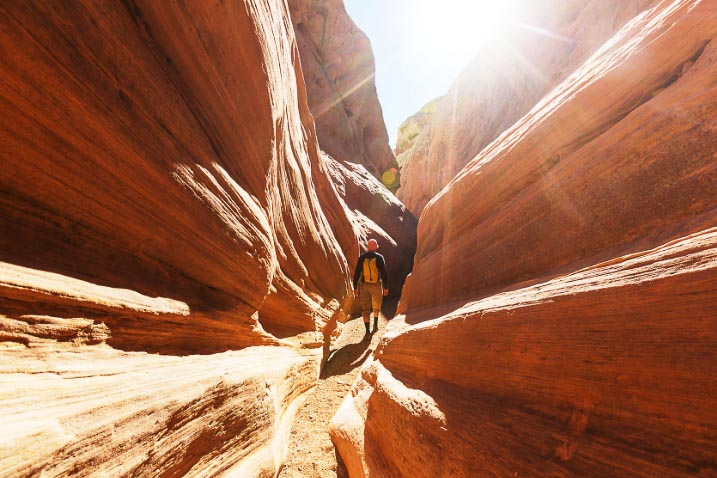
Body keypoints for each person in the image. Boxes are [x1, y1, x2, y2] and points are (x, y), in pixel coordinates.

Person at [352, 238, 389, 336]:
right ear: (376, 247)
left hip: (364, 286)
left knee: (365, 309)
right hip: (376, 285)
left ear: (368, 247)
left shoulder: (362, 257)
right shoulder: (379, 257)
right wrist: (386, 287)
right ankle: (375, 325)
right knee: (376, 306)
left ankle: (367, 331)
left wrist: (355, 287)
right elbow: (384, 273)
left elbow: (357, 273)